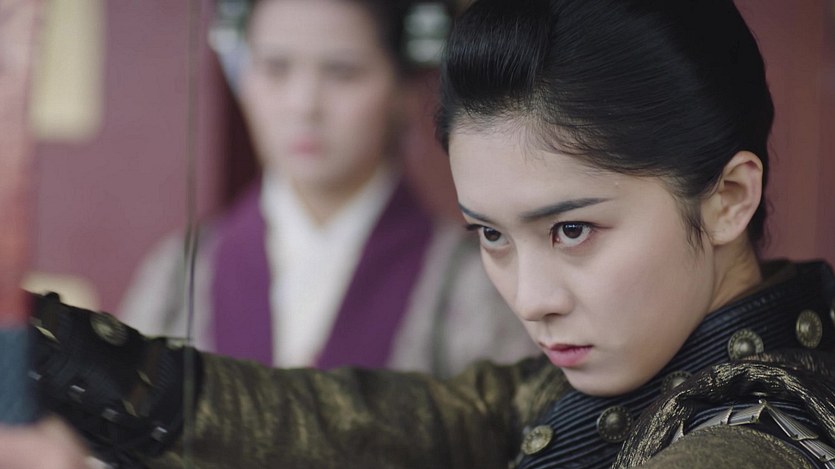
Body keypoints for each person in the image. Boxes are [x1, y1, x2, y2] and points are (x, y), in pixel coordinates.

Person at [4, 0, 835, 467]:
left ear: (727, 198)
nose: (530, 299)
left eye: (572, 229)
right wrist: (74, 355)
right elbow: (375, 425)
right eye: (491, 236)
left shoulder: (752, 442)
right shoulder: (607, 380)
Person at [118, 0, 536, 374]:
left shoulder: (466, 281)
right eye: (275, 68)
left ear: (404, 89)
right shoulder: (181, 274)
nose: (303, 105)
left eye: (342, 71)